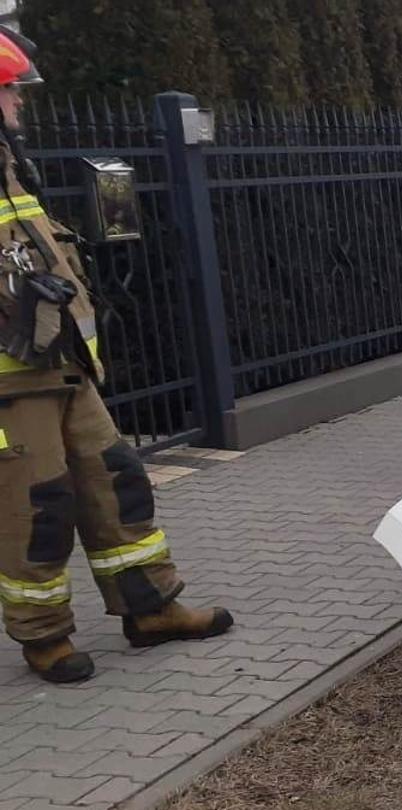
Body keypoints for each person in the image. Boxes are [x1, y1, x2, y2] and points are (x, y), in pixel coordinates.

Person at [0, 27, 232, 684]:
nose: (19, 104)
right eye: (11, 92)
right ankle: (44, 637)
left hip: (61, 362)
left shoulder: (8, 159)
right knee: (35, 507)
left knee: (116, 482)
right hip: (11, 383)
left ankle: (150, 607)